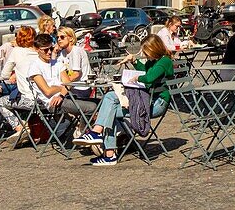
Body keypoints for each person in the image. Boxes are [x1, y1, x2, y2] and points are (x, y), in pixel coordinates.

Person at [74, 35, 174, 166]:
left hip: (157, 104)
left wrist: (135, 79)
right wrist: (133, 61)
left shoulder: (164, 61)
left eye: (146, 51)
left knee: (110, 105)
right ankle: (100, 140)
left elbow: (149, 77)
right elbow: (145, 71)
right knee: (110, 103)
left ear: (154, 49)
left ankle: (106, 149)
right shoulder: (153, 61)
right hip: (147, 100)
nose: (144, 54)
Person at [53, 27, 98, 123]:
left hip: (81, 87)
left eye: (62, 37)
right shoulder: (63, 53)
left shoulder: (76, 51)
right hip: (70, 87)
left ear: (70, 38)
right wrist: (54, 51)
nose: (59, 39)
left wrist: (62, 83)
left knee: (58, 100)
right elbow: (55, 67)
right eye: (57, 37)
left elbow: (76, 74)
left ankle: (73, 123)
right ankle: (70, 123)